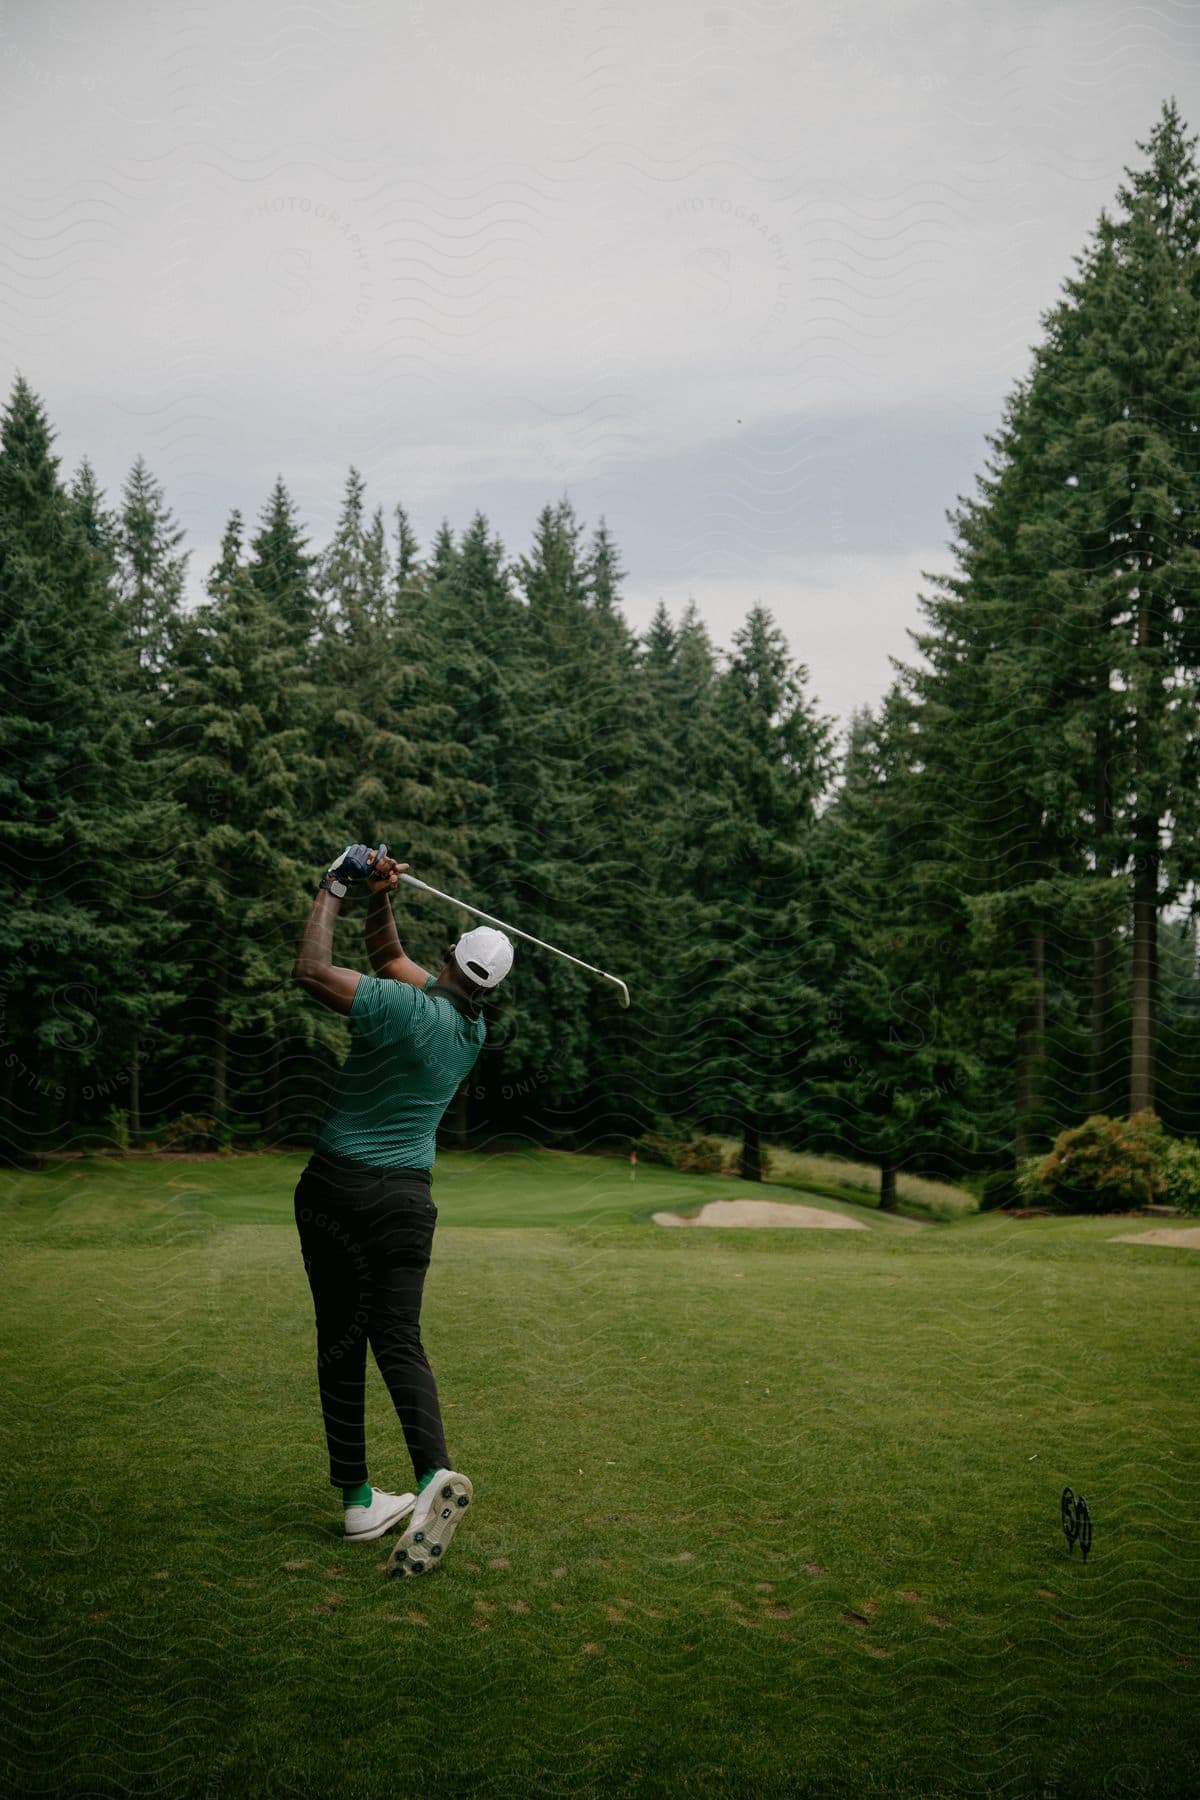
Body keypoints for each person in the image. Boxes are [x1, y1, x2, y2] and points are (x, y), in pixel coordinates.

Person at [291, 844, 513, 1576]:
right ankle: (429, 1478)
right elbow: (389, 955)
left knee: (340, 1339)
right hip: (407, 1204)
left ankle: (358, 1498)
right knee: (399, 1339)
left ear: (448, 955)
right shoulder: (469, 1030)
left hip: (336, 1189)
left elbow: (313, 972)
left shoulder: (398, 1008)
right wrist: (381, 892)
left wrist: (336, 883)